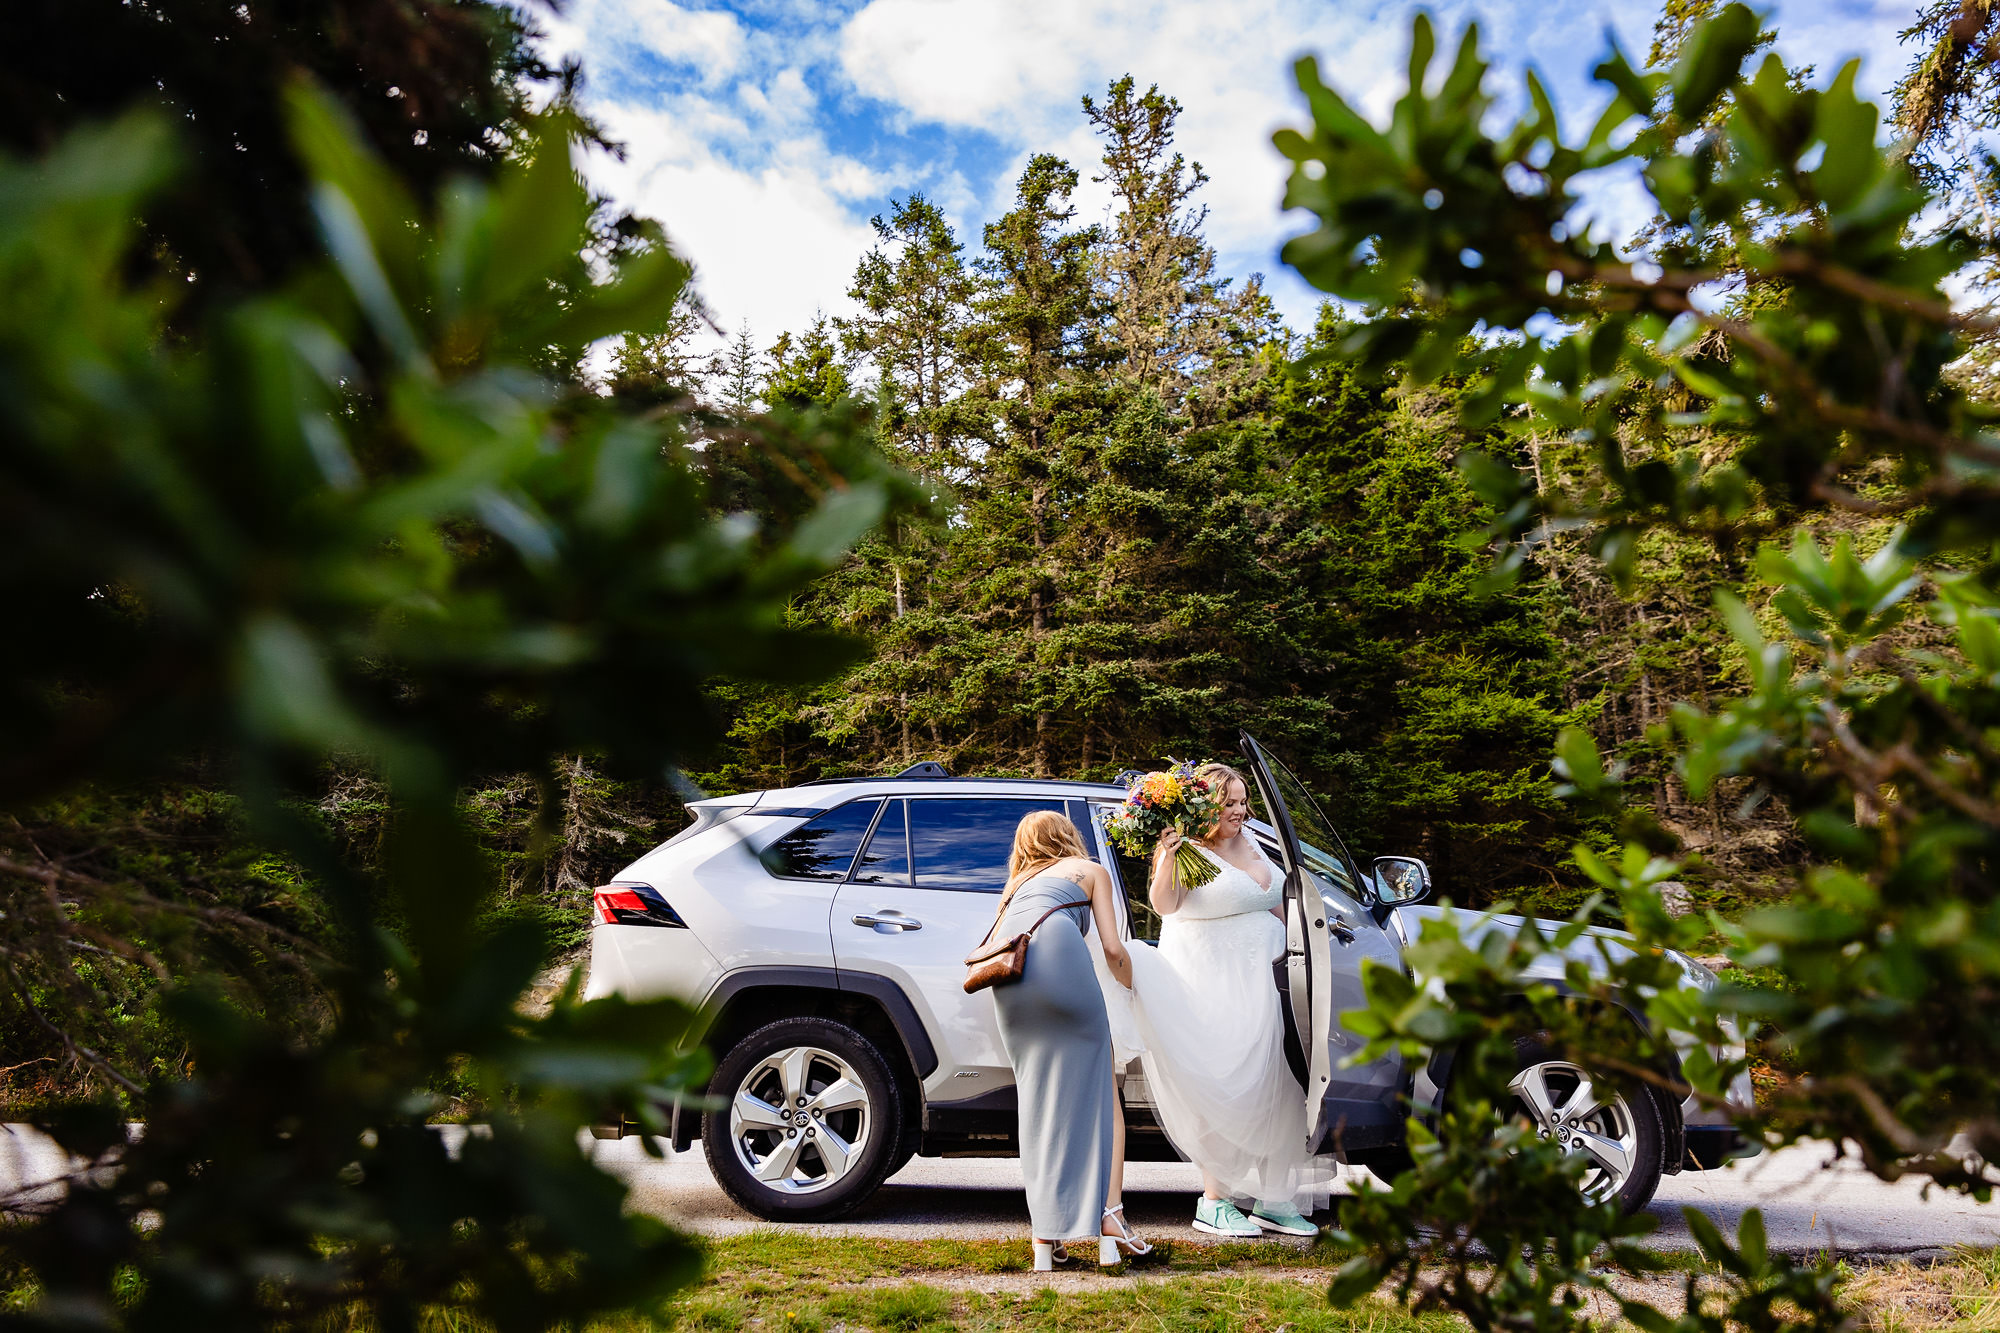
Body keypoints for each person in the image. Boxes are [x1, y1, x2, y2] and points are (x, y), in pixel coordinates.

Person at [1119, 762, 1328, 1239]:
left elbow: (1277, 902)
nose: (1239, 811)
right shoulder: (1186, 849)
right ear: (1204, 806)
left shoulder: (1252, 842)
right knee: (1225, 1084)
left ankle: (1275, 1199)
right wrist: (1170, 856)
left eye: (1242, 801)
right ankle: (1215, 1200)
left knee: (1281, 1083)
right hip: (1212, 984)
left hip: (1270, 984)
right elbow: (1164, 905)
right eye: (1229, 803)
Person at [985, 811, 1149, 1270]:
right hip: (1062, 969)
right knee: (1100, 1098)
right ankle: (1108, 1223)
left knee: (1037, 1103)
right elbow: (1114, 949)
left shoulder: (1015, 885)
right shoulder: (1090, 871)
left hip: (1011, 985)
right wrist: (1140, 990)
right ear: (1069, 836)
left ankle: (1045, 1240)